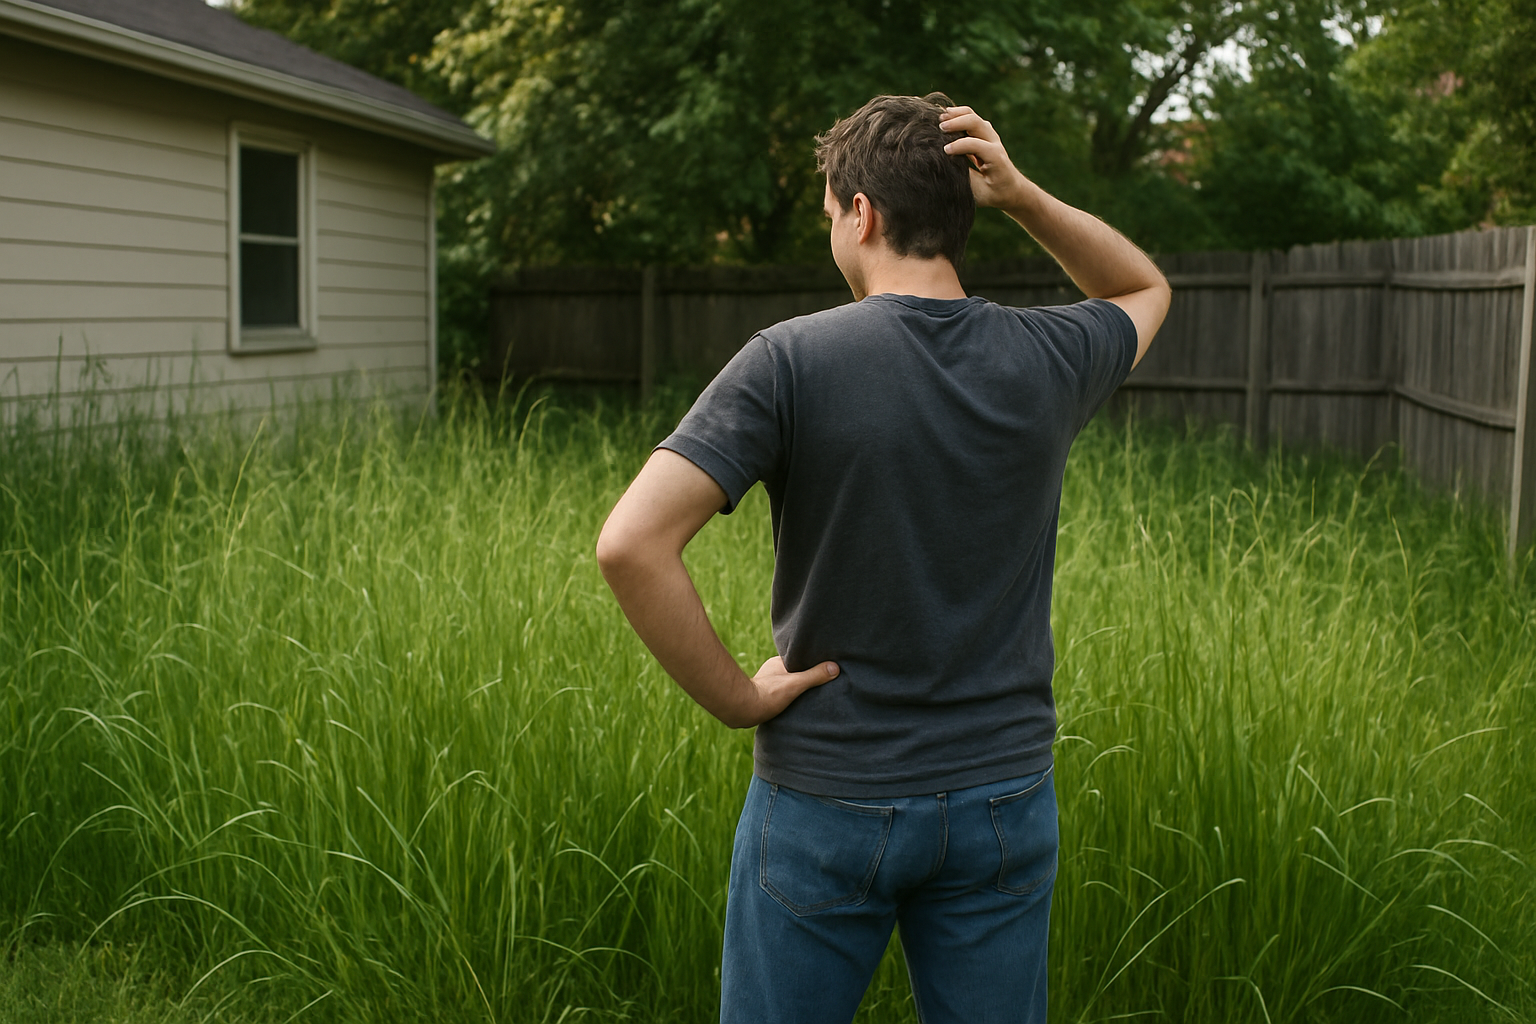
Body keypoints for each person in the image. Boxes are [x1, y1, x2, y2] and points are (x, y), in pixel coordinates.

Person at [596, 92, 1170, 1024]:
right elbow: (1143, 290)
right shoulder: (1047, 356)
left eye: (830, 211)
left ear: (860, 213)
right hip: (1003, 802)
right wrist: (1022, 196)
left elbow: (630, 543)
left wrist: (740, 701)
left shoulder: (788, 360)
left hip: (829, 798)